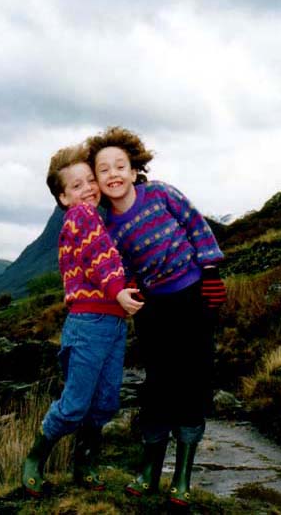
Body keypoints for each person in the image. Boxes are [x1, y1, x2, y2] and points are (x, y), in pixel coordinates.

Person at [86, 126, 227, 509]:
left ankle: (182, 477)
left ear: (134, 170)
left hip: (193, 297)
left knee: (193, 381)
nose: (114, 173)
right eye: (104, 169)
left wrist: (211, 273)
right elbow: (120, 267)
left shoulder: (162, 194)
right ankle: (150, 470)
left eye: (121, 165)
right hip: (154, 308)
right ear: (97, 180)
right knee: (158, 385)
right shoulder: (107, 226)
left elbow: (197, 226)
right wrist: (128, 289)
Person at [21, 143, 144, 498]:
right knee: (75, 405)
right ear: (63, 197)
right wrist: (120, 289)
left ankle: (85, 462)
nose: (89, 188)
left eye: (91, 180)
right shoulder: (82, 217)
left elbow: (108, 259)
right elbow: (99, 258)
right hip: (89, 324)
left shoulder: (97, 218)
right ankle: (35, 457)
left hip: (113, 325)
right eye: (77, 186)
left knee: (105, 402)